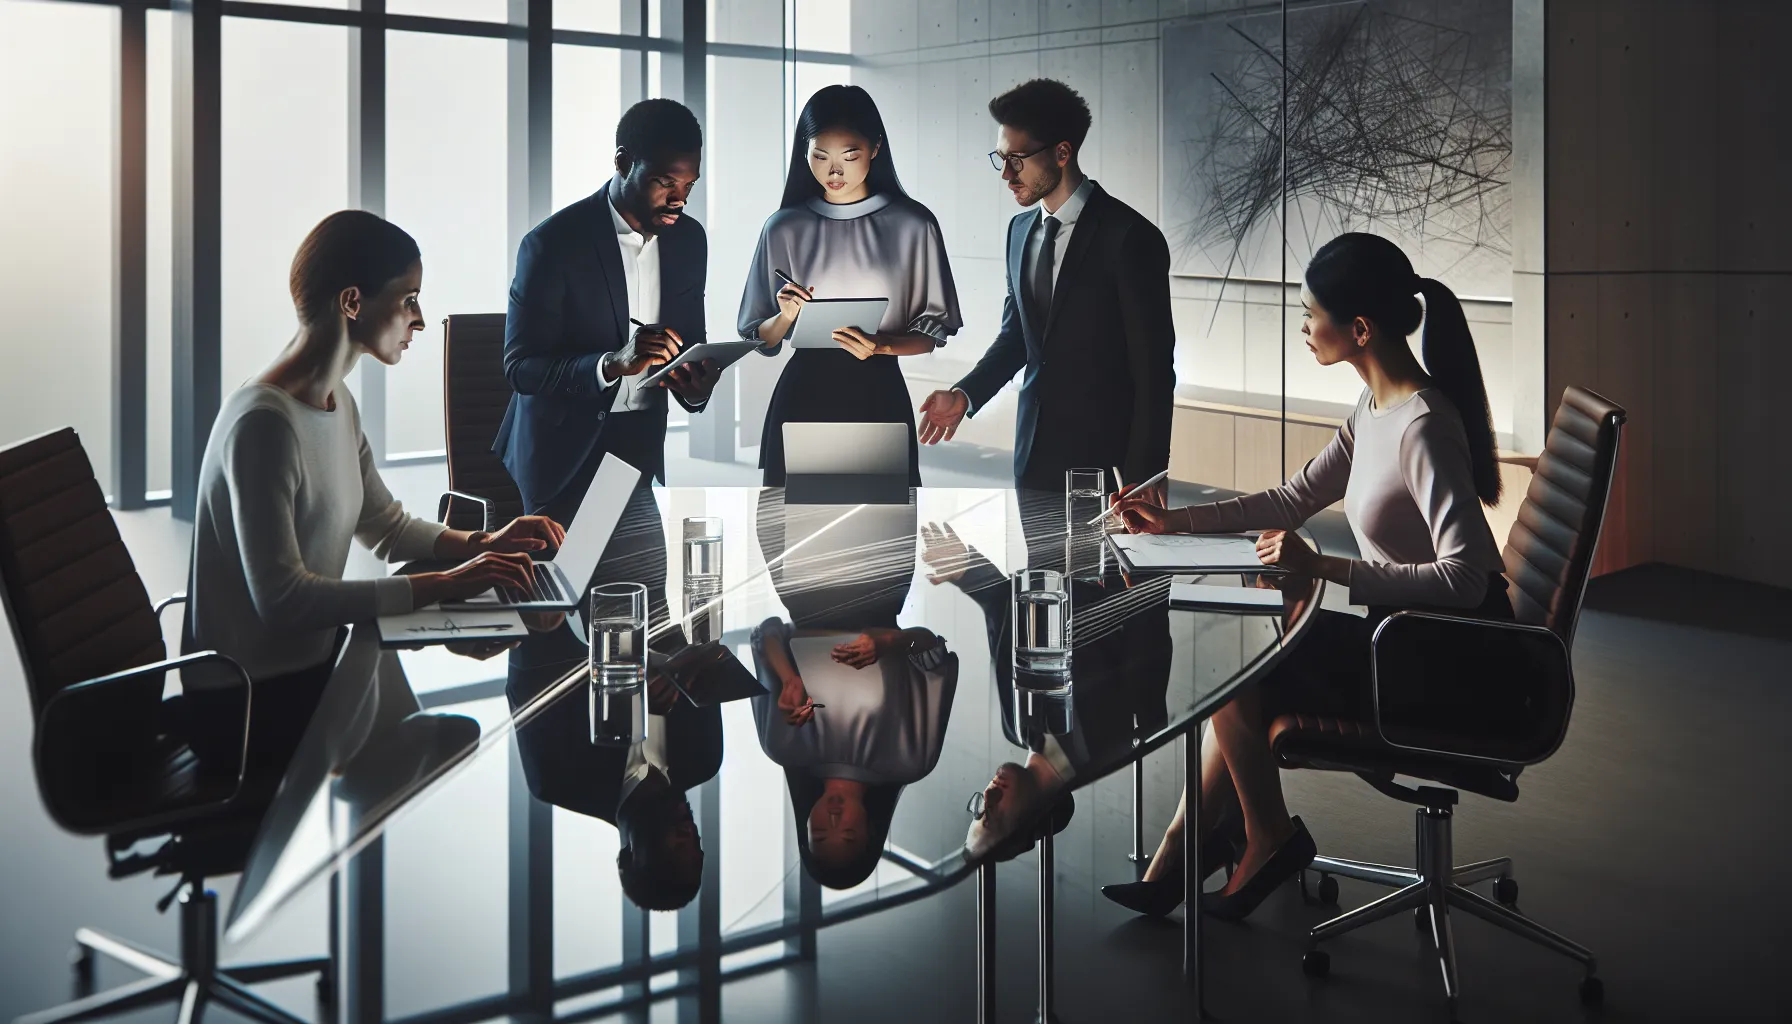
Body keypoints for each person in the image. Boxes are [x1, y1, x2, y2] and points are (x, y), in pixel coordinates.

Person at [1100, 232, 1510, 922]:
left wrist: (1322, 567)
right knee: (1242, 647)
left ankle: (1265, 837)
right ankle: (1189, 846)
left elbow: (1467, 580)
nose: (1303, 326)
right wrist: (1173, 522)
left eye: (1310, 313)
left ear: (1359, 329)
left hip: (1450, 661)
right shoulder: (1375, 408)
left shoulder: (1423, 427)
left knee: (1235, 661)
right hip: (1402, 639)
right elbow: (1291, 500)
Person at [186, 210, 562, 778]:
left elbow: (386, 526)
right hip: (248, 706)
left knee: (448, 751)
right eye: (409, 299)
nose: (420, 319)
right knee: (448, 759)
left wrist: (485, 543)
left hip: (313, 666)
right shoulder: (262, 425)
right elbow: (284, 603)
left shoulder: (335, 401)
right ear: (353, 302)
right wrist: (450, 584)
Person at [916, 78, 1174, 495]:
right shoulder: (1019, 232)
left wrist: (1145, 476)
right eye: (1001, 159)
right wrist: (965, 395)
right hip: (1033, 459)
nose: (1006, 174)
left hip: (1111, 472)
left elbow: (1154, 372)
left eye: (1017, 160)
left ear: (1062, 152)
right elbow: (1018, 338)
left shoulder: (1130, 237)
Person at [495, 98, 719, 522]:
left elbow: (691, 342)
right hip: (562, 458)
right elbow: (520, 368)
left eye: (689, 185)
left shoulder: (689, 240)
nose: (679, 200)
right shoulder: (552, 244)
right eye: (665, 183)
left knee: (652, 569)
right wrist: (611, 364)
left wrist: (696, 387)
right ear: (623, 162)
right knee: (574, 569)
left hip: (641, 452)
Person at [737, 84, 962, 487]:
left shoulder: (914, 225)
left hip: (878, 395)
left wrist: (881, 345)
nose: (833, 172)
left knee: (884, 523)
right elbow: (761, 339)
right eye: (820, 156)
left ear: (875, 148)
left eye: (849, 156)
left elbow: (932, 333)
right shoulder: (784, 226)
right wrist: (785, 316)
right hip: (801, 397)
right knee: (790, 525)